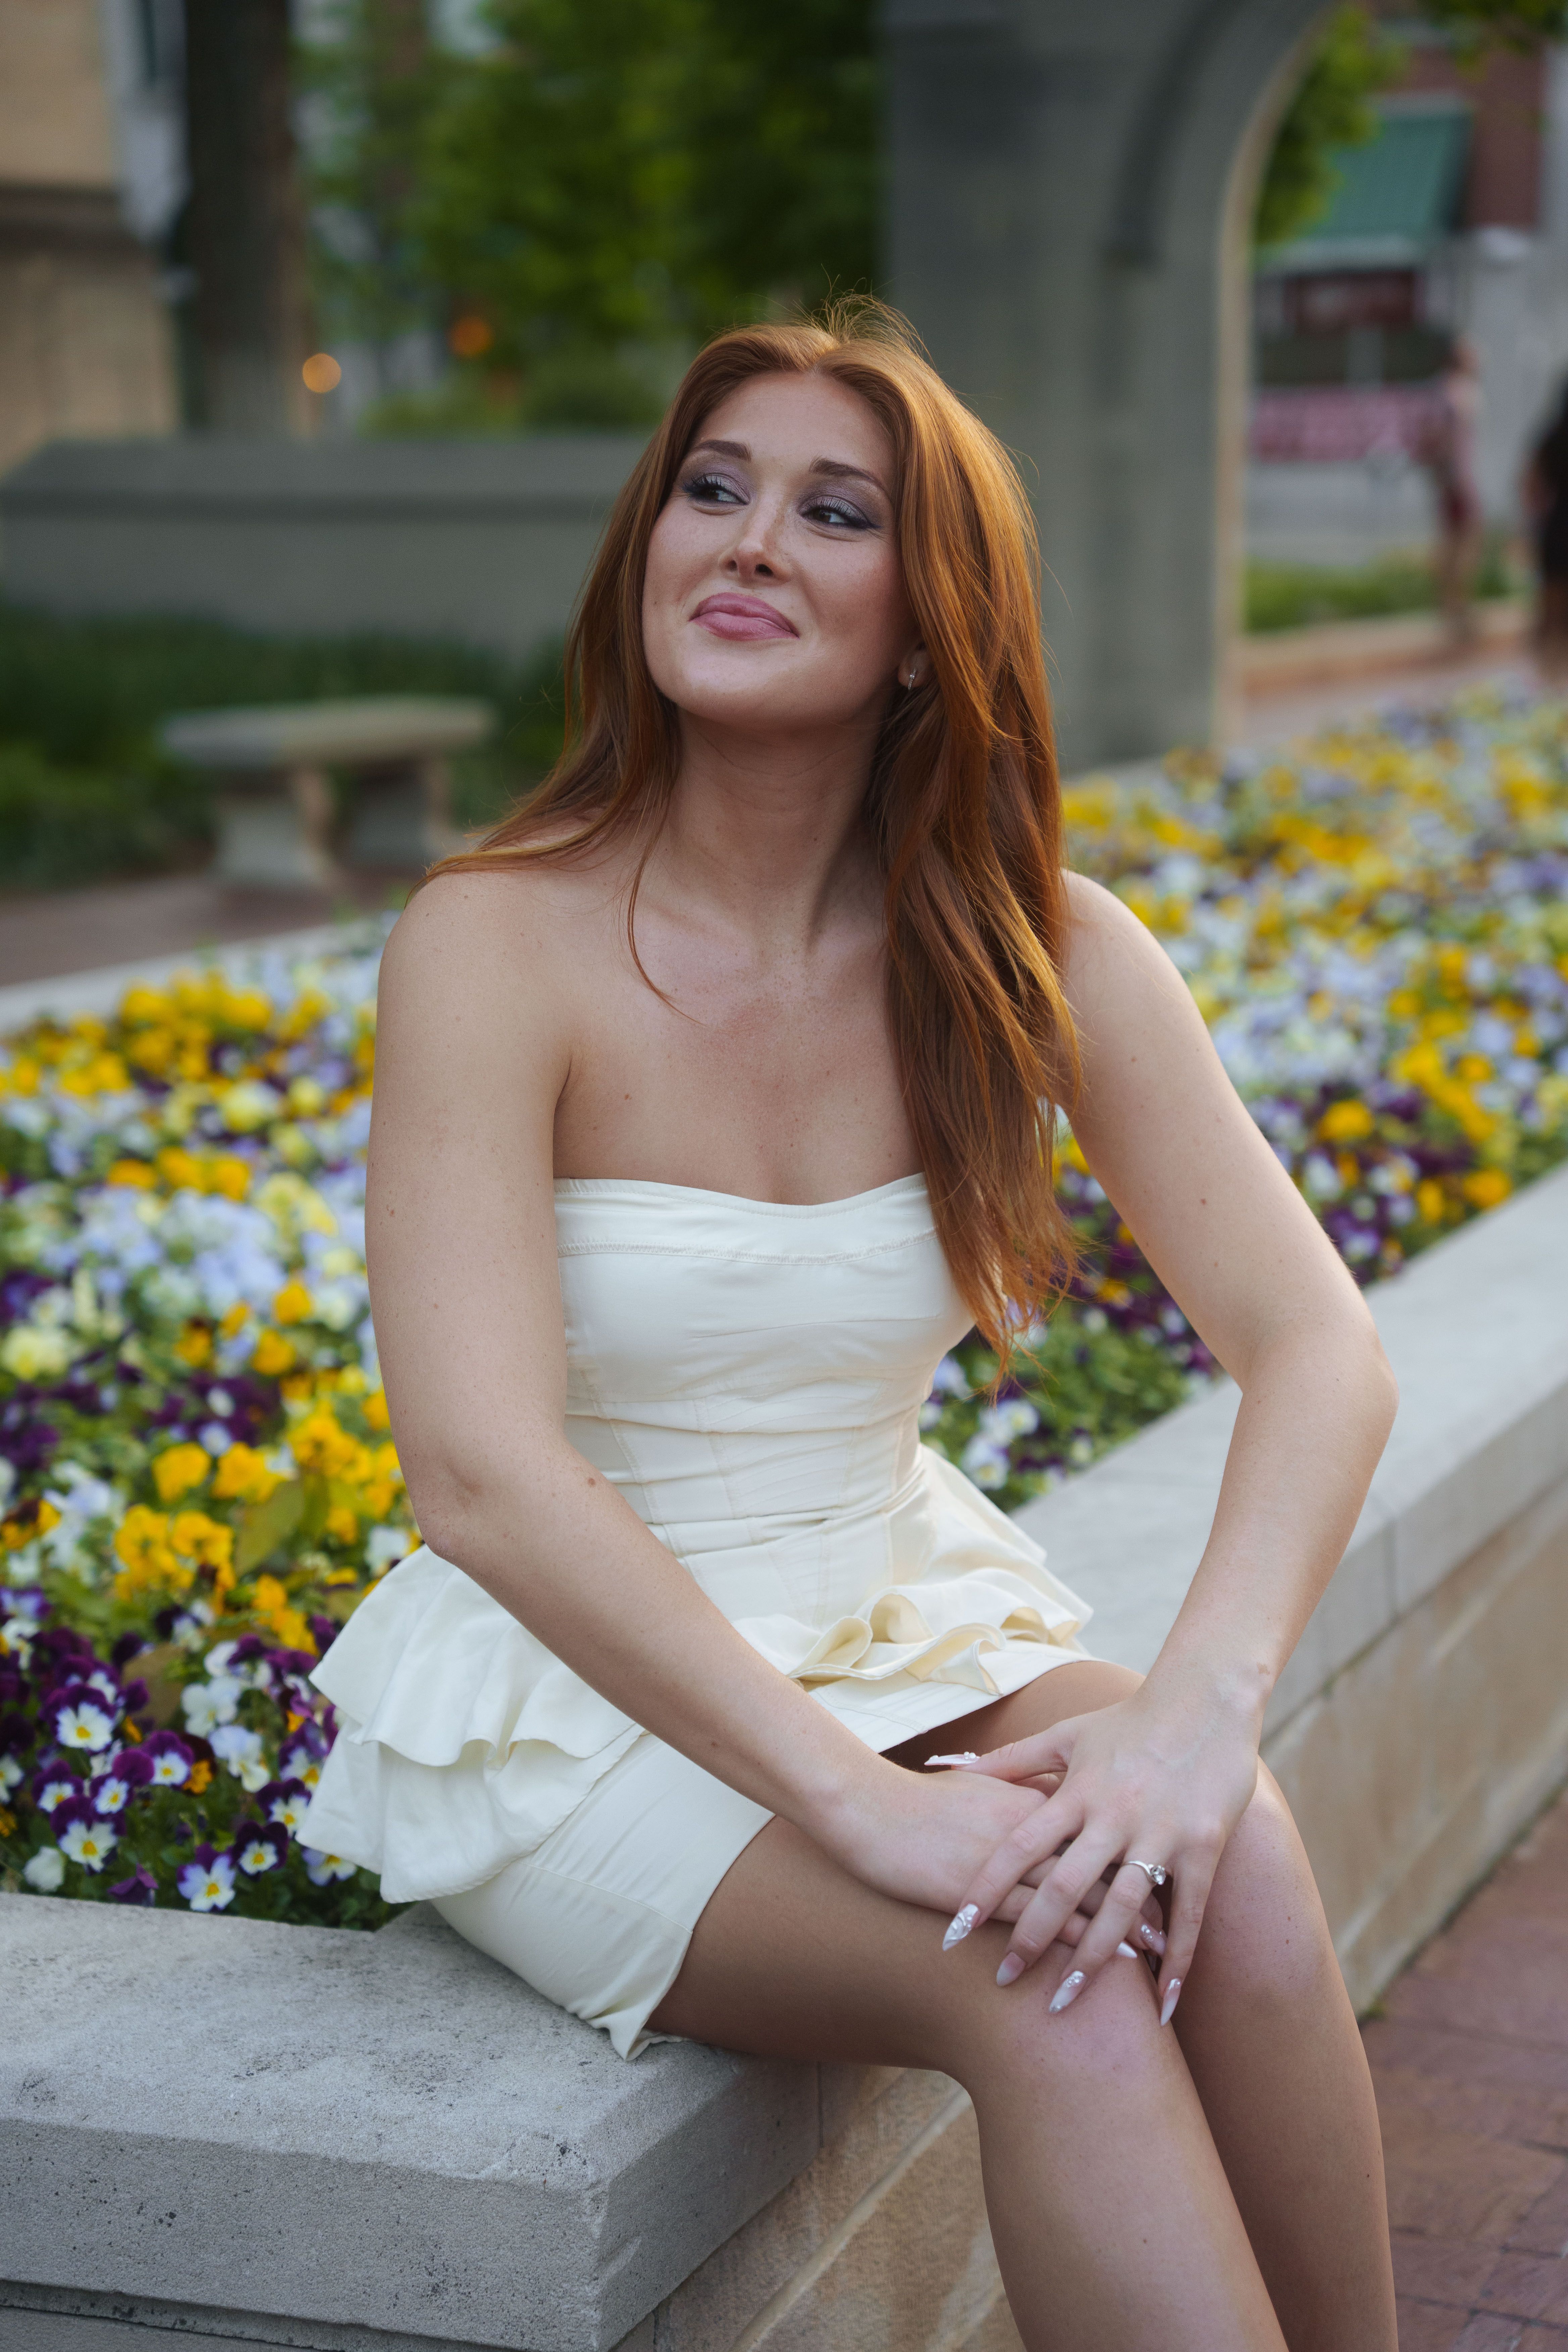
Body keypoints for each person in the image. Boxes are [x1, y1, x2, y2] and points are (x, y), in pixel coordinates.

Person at [301, 303, 1400, 2351]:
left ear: (922, 627)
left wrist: (1189, 1714)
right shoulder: (491, 938)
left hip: (895, 1604)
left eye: (831, 512)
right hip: (572, 1696)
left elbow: (1318, 1348)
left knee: (1226, 1857)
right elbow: (477, 1473)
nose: (744, 542)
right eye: (708, 491)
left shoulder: (1031, 947)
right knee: (1044, 1980)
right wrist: (856, 1799)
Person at [1417, 335, 1485, 644]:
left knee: (1456, 546)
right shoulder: (1454, 393)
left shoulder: (1440, 392)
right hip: (1457, 483)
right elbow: (1440, 442)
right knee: (1460, 547)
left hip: (1453, 482)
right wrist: (1452, 480)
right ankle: (1455, 610)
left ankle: (1454, 608)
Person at [1523, 377, 1568, 682]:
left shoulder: (1553, 436)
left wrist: (1532, 523)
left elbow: (1531, 484)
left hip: (1558, 527)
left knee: (1551, 613)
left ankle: (1547, 682)